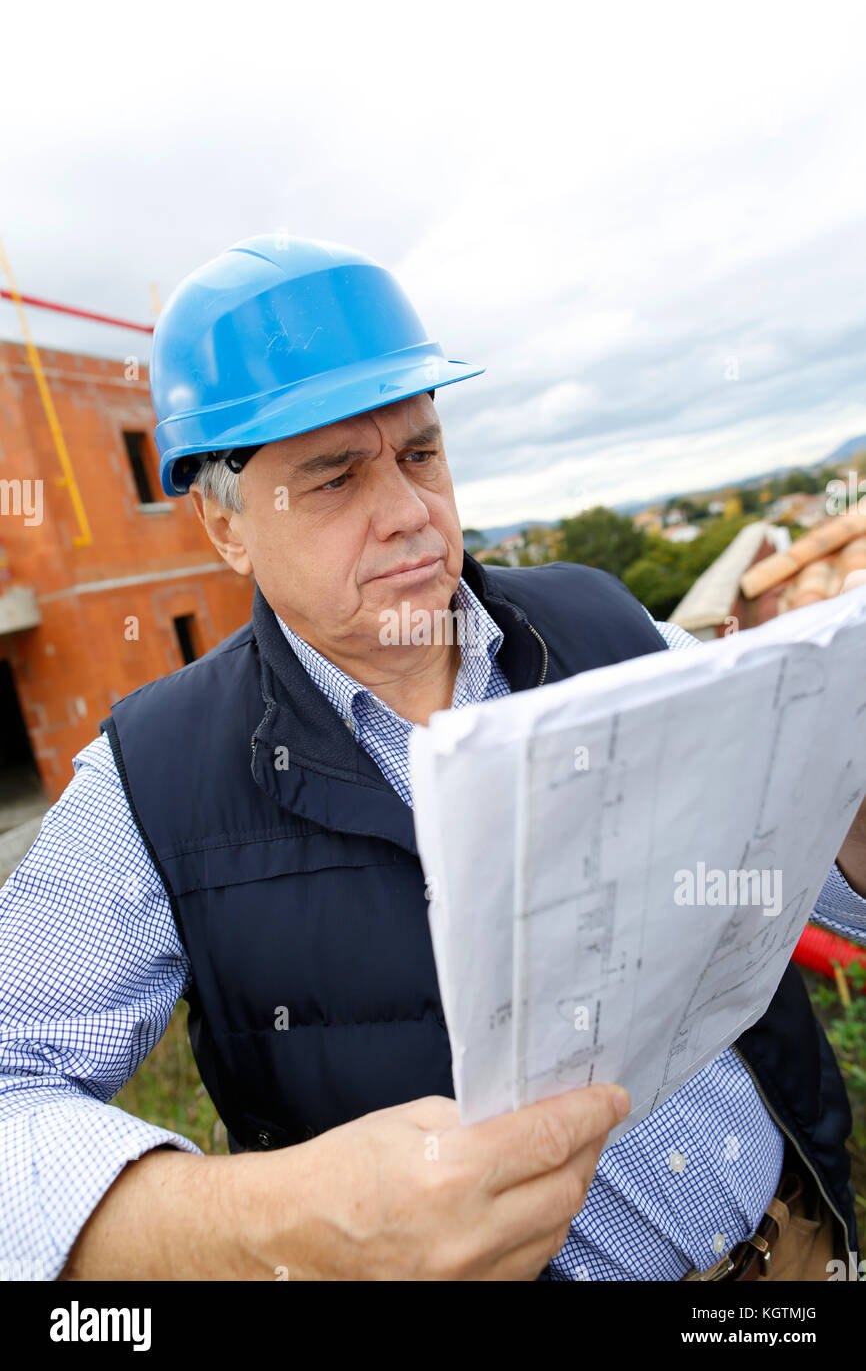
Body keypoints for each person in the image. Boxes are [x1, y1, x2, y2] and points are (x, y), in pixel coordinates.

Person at [1, 235, 864, 1282]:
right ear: (225, 526)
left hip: (804, 1246)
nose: (409, 512)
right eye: (333, 478)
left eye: (419, 454)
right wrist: (264, 1224)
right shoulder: (153, 786)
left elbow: (819, 879)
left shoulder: (606, 624)